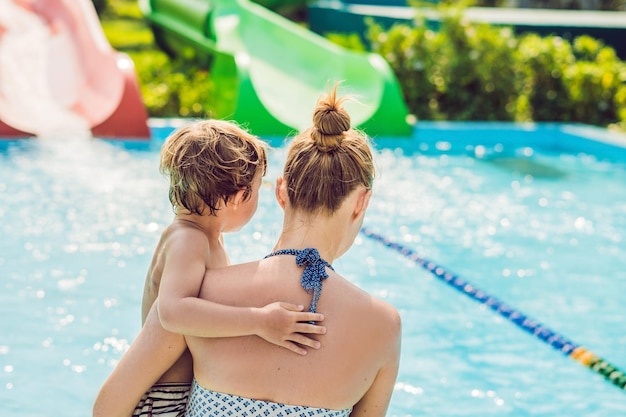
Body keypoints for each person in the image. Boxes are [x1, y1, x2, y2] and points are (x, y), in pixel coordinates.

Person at [93, 85, 402, 417]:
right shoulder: (384, 327)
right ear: (361, 202)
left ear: (281, 191)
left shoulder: (204, 295)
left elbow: (109, 408)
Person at [101, 119, 326, 417]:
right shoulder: (189, 240)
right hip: (162, 402)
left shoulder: (203, 238)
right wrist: (260, 321)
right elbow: (173, 311)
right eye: (257, 189)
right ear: (237, 197)